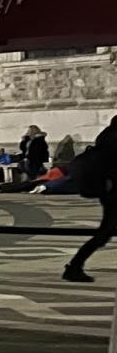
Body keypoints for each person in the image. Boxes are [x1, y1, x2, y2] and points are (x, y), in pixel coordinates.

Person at [64, 116, 117, 282]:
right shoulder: (113, 138)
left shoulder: (107, 136)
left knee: (105, 231)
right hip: (114, 192)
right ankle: (74, 266)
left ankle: (75, 266)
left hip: (110, 191)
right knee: (105, 232)